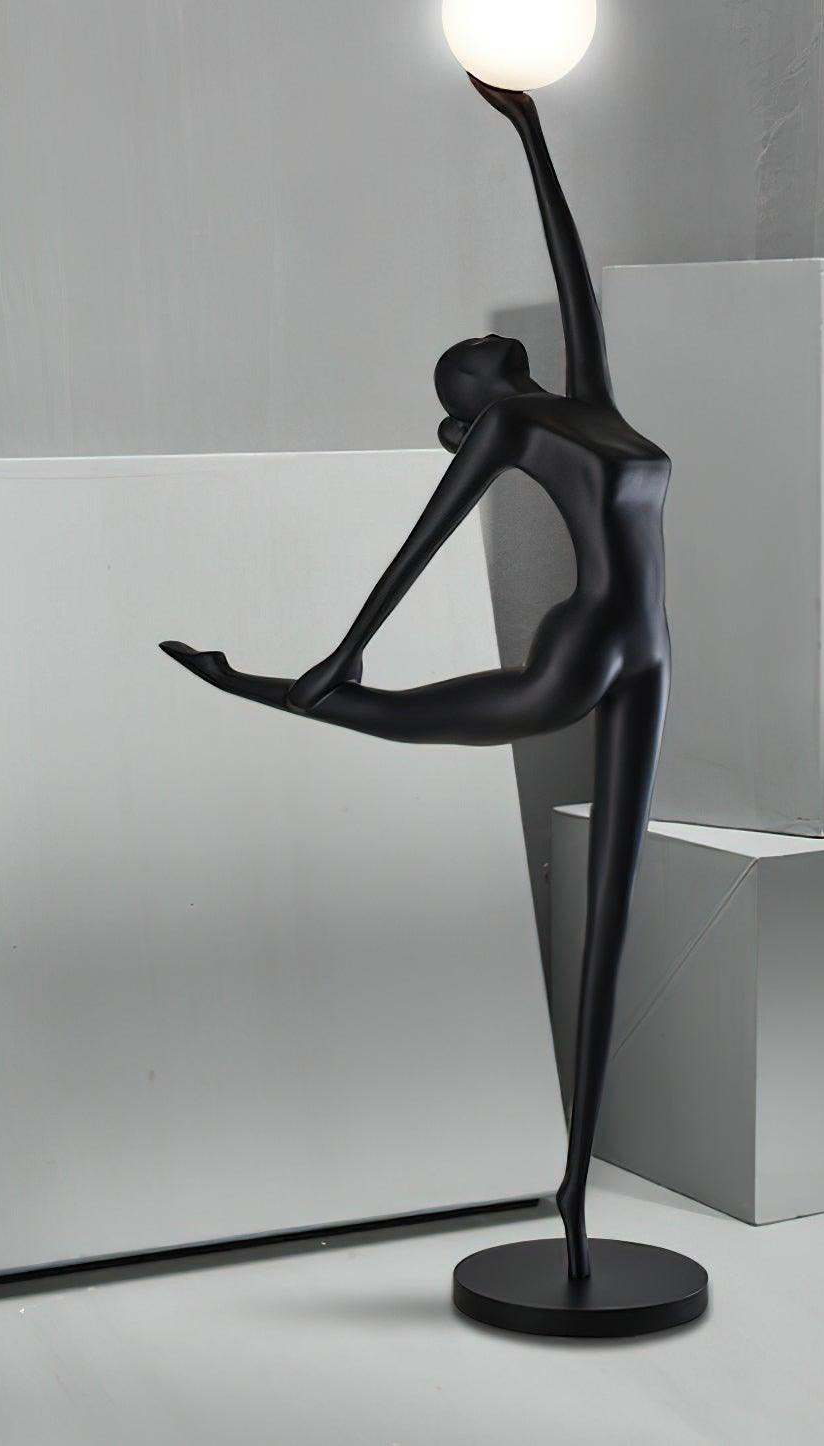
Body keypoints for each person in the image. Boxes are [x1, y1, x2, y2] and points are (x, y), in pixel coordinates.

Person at [162, 74, 671, 1282]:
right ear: (476, 400)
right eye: (469, 361)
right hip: (584, 649)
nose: (482, 344)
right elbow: (422, 542)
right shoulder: (510, 430)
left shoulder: (587, 402)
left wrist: (531, 133)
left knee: (615, 911)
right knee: (397, 715)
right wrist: (351, 642)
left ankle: (574, 1187)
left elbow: (573, 277)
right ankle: (266, 685)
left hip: (652, 652)